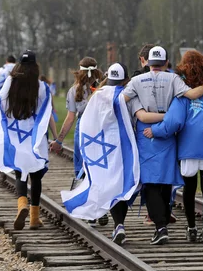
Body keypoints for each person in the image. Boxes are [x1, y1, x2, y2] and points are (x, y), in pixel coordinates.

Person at [61, 63, 163, 245]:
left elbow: (86, 124)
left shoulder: (96, 97)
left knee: (111, 184)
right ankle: (149, 225)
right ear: (125, 80)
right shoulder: (128, 96)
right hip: (125, 150)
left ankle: (119, 225)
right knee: (124, 186)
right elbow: (140, 117)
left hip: (104, 151)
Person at [143, 51, 203, 244]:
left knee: (190, 189)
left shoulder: (183, 95)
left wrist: (156, 131)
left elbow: (174, 122)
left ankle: (191, 228)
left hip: (188, 148)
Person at [123, 46, 203, 245]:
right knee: (165, 180)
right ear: (165, 62)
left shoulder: (137, 81)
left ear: (147, 62)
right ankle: (164, 219)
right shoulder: (173, 79)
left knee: (150, 182)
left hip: (146, 133)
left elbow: (122, 99)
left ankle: (160, 226)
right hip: (169, 130)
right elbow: (191, 95)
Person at [0, 50, 58, 231]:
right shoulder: (42, 87)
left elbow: (1, 106)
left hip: (15, 135)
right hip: (34, 137)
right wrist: (56, 137)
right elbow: (47, 115)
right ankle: (34, 217)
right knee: (36, 175)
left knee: (19, 172)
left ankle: (22, 202)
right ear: (35, 66)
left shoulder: (10, 84)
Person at [50, 57, 103, 179]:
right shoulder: (104, 88)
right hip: (101, 129)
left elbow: (70, 118)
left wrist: (59, 141)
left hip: (83, 130)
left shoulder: (74, 90)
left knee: (81, 167)